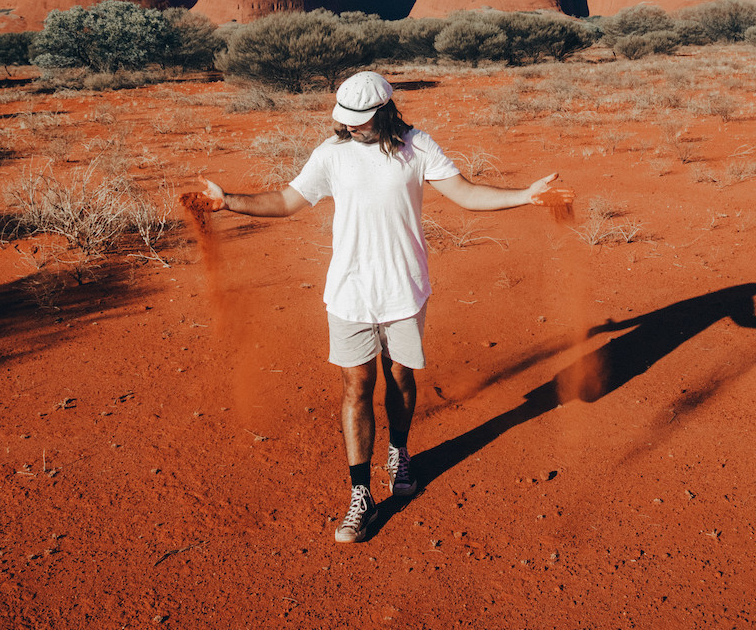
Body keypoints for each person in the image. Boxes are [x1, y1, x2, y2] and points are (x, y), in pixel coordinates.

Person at [197, 71, 573, 544]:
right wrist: (227, 201)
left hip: (404, 291)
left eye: (361, 119)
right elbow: (287, 200)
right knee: (357, 386)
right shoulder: (331, 155)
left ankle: (399, 450)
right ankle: (360, 493)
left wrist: (526, 195)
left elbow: (465, 193)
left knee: (399, 377)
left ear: (385, 111)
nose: (353, 127)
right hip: (350, 293)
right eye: (347, 120)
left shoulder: (418, 148)